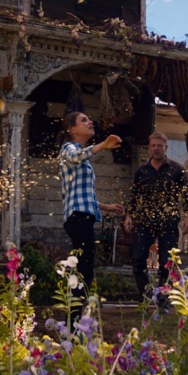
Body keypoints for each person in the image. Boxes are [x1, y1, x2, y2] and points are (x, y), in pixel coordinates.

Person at [58, 111, 124, 317]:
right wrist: (102, 145)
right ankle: (73, 320)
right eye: (84, 120)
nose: (90, 122)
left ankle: (75, 319)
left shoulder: (84, 157)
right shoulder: (68, 149)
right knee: (83, 269)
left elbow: (82, 196)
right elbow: (76, 156)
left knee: (85, 269)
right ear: (72, 129)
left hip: (83, 216)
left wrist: (106, 207)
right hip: (77, 218)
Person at [125, 132, 188, 307]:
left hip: (169, 221)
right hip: (145, 221)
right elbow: (134, 196)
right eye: (153, 145)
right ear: (149, 147)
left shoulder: (176, 170)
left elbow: (187, 196)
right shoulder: (142, 171)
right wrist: (129, 216)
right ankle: (146, 296)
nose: (156, 149)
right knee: (138, 259)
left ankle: (163, 299)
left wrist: (187, 218)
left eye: (159, 146)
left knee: (167, 262)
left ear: (165, 148)